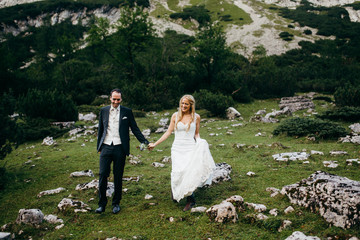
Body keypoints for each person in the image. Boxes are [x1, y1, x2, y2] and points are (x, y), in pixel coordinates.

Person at [148, 95, 216, 211]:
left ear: (191, 105)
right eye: (182, 103)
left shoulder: (196, 117)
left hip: (190, 147)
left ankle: (191, 199)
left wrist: (200, 142)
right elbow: (168, 132)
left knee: (187, 172)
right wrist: (155, 143)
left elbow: (196, 134)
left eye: (186, 104)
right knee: (177, 172)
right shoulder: (175, 116)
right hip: (177, 148)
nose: (183, 106)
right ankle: (177, 191)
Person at [96, 89, 149, 214]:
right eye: (114, 99)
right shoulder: (103, 111)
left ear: (121, 99)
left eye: (118, 99)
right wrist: (99, 147)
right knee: (103, 174)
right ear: (110, 98)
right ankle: (101, 204)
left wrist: (145, 141)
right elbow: (101, 129)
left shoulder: (127, 112)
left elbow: (135, 128)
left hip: (120, 147)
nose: (115, 101)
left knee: (118, 176)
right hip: (106, 146)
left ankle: (116, 203)